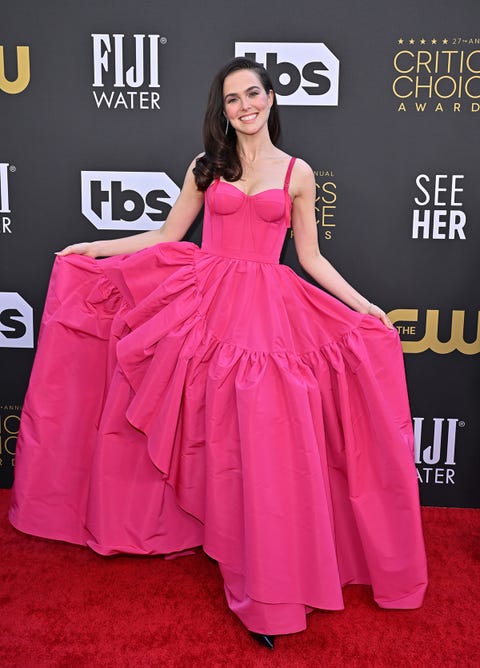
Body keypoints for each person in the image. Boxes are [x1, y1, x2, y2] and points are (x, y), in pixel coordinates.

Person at [9, 57, 427, 649]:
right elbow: (165, 236)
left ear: (271, 98)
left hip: (266, 319)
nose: (244, 106)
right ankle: (205, 540)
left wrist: (363, 306)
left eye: (253, 94)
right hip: (199, 308)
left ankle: (261, 582)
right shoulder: (208, 168)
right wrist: (95, 247)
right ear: (222, 111)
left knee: (256, 448)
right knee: (206, 436)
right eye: (232, 99)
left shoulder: (297, 174)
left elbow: (309, 258)